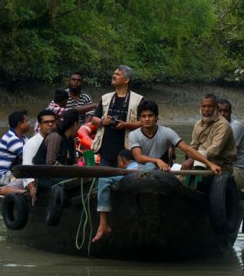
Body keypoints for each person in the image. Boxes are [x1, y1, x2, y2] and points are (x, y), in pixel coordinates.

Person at [92, 100, 223, 242]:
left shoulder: (167, 132)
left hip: (158, 175)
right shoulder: (134, 135)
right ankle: (103, 224)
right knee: (104, 179)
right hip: (139, 173)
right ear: (140, 119)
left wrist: (210, 164)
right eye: (143, 116)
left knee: (150, 168)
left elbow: (188, 149)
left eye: (150, 116)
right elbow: (138, 157)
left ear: (156, 117)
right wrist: (156, 160)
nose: (147, 119)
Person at [181, 94, 244, 189]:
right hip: (199, 162)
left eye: (210, 106)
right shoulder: (198, 124)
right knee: (178, 179)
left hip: (221, 165)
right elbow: (193, 146)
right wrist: (190, 156)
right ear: (200, 108)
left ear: (216, 108)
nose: (206, 109)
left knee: (195, 180)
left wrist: (193, 159)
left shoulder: (223, 125)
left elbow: (213, 151)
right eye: (204, 106)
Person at [90, 65, 143, 168]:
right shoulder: (106, 98)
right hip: (106, 150)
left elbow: (144, 123)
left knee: (125, 182)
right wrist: (102, 121)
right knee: (104, 181)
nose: (113, 76)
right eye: (114, 73)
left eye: (117, 74)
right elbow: (93, 120)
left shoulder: (138, 100)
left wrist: (126, 125)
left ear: (126, 80)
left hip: (128, 152)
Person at [0, 110, 57, 197]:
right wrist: (31, 187)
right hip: (19, 175)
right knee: (1, 189)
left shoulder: (57, 139)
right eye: (46, 122)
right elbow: (27, 167)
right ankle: (21, 192)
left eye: (53, 122)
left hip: (47, 177)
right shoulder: (30, 143)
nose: (50, 125)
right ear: (40, 125)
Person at [92, 149, 145, 242]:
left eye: (118, 163)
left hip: (135, 177)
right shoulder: (147, 166)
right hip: (146, 176)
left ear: (122, 161)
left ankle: (103, 223)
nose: (118, 166)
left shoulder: (129, 171)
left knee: (104, 179)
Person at [0, 110, 30, 193]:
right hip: (4, 176)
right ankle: (3, 189)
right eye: (27, 121)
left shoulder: (24, 138)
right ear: (19, 124)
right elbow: (27, 156)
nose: (29, 124)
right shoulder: (11, 139)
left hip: (14, 173)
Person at [218, 99, 244, 174]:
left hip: (239, 169)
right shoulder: (212, 127)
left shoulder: (235, 126)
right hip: (220, 166)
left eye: (226, 111)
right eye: (220, 111)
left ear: (230, 113)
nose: (223, 114)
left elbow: (224, 152)